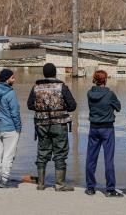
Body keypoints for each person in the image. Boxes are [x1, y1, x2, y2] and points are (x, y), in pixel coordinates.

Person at [27, 63, 76, 191]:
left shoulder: (36, 88)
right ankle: (60, 184)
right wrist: (61, 107)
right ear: (55, 73)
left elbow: (29, 105)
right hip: (59, 124)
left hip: (41, 125)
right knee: (60, 153)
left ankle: (41, 184)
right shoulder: (62, 87)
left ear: (44, 73)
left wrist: (41, 109)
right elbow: (73, 106)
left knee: (42, 153)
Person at [85, 70, 123, 197]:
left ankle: (90, 188)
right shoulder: (110, 94)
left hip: (93, 128)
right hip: (107, 128)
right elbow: (118, 107)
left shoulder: (89, 93)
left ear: (94, 80)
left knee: (91, 159)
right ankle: (110, 189)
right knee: (108, 160)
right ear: (105, 80)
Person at [0, 68, 21, 188]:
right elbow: (15, 113)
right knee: (8, 154)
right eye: (12, 77)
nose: (14, 79)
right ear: (7, 80)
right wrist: (18, 128)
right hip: (10, 128)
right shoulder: (11, 93)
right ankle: (4, 180)